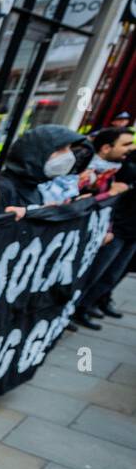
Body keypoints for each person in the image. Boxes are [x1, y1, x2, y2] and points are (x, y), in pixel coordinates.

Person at [72, 127, 135, 328]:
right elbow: (76, 204)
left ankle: (82, 308)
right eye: (126, 144)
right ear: (107, 147)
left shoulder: (113, 171)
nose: (130, 148)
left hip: (114, 230)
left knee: (110, 274)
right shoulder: (87, 170)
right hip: (103, 230)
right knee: (91, 274)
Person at [0, 124, 85, 214]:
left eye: (69, 148)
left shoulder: (35, 186)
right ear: (36, 153)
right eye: (61, 149)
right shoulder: (1, 189)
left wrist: (43, 212)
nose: (68, 155)